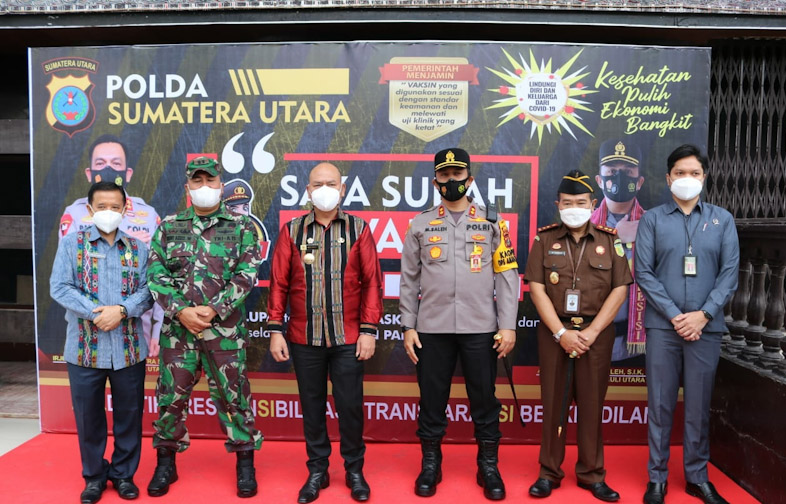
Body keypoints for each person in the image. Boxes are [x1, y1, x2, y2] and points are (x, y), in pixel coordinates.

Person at [400, 148, 518, 501]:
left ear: (470, 178)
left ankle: (488, 465)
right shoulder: (420, 224)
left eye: (457, 174)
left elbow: (507, 275)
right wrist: (408, 326)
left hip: (480, 327)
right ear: (435, 181)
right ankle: (430, 464)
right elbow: (409, 279)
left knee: (484, 399)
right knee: (431, 399)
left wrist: (508, 325)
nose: (451, 180)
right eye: (445, 175)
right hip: (431, 329)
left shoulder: (493, 222)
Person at [146, 156, 263, 498]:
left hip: (223, 333)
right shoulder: (169, 227)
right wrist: (181, 311)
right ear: (188, 187)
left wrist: (213, 310)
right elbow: (156, 274)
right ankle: (165, 464)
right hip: (178, 334)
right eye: (197, 181)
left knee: (235, 398)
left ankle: (245, 466)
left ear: (220, 185)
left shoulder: (241, 227)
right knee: (170, 399)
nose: (204, 187)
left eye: (210, 181)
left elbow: (247, 274)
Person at [267, 162, 382, 503]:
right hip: (305, 338)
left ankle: (354, 470)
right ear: (308, 190)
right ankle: (317, 470)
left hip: (349, 338)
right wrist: (275, 329)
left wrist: (368, 330)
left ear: (343, 189)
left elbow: (372, 282)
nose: (325, 189)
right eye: (318, 184)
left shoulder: (358, 228)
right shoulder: (292, 231)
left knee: (350, 407)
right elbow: (278, 283)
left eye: (331, 183)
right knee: (312, 407)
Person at [635, 145, 738, 504]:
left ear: (704, 178)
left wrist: (704, 315)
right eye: (680, 173)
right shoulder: (652, 220)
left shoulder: (723, 220)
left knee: (698, 406)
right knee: (660, 405)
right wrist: (676, 316)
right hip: (664, 328)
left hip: (705, 329)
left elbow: (729, 275)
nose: (687, 179)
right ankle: (657, 478)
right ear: (668, 179)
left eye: (694, 173)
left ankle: (697, 476)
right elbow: (643, 273)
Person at [525, 170, 632, 502]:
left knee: (591, 405)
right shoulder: (544, 240)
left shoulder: (609, 241)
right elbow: (536, 289)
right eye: (568, 202)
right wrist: (561, 333)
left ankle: (592, 474)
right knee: (553, 403)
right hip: (554, 332)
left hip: (595, 334)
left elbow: (620, 290)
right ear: (558, 204)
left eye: (581, 202)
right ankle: (549, 472)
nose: (574, 208)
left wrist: (591, 332)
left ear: (593, 204)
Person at [50, 181, 154, 503]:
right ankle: (94, 477)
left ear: (125, 209)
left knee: (129, 416)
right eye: (102, 206)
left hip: (128, 349)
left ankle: (124, 475)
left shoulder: (138, 248)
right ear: (90, 209)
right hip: (84, 349)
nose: (108, 212)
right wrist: (97, 313)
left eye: (115, 207)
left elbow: (149, 291)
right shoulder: (72, 244)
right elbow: (60, 286)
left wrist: (120, 311)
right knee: (88, 418)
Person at [58, 133, 164, 355]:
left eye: (116, 163)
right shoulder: (74, 214)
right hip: (87, 334)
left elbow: (158, 276)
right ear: (89, 173)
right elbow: (67, 278)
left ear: (128, 173)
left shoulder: (147, 215)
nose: (108, 169)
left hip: (135, 335)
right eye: (100, 163)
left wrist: (158, 331)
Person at [591, 139, 647, 363]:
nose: (619, 178)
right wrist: (615, 237)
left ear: (639, 182)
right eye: (612, 171)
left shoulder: (653, 226)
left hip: (639, 345)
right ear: (599, 180)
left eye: (628, 171)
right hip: (590, 340)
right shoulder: (582, 225)